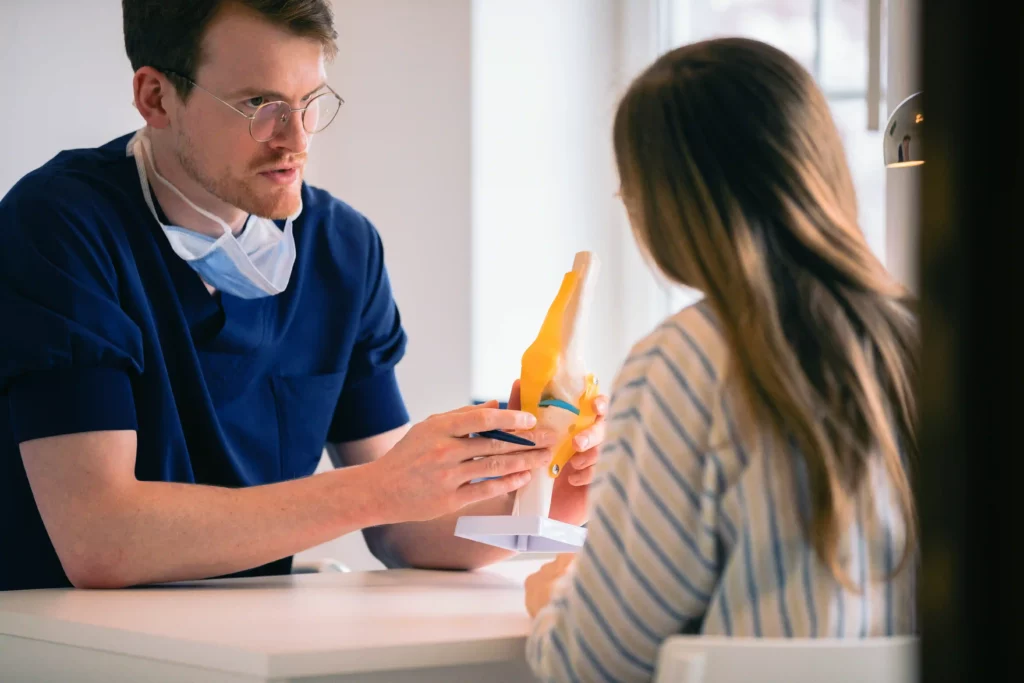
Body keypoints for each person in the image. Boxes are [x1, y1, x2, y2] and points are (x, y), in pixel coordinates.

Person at [0, 0, 607, 592]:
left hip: (251, 638)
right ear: (156, 97)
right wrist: (380, 488)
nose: (295, 140)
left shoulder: (341, 247)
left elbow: (403, 527)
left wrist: (550, 496)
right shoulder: (60, 226)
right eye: (258, 105)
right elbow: (101, 538)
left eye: (310, 101)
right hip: (65, 638)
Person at [523, 37, 919, 681]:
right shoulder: (929, 341)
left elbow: (592, 665)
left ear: (664, 207)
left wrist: (553, 601)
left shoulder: (680, 363)